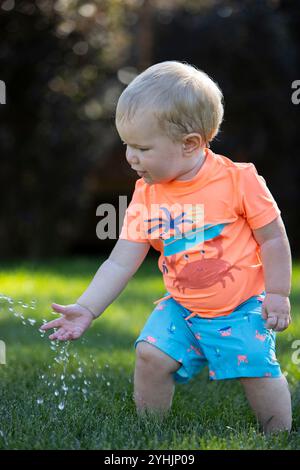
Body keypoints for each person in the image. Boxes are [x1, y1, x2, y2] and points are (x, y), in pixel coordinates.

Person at [41, 61, 292, 434]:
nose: (130, 157)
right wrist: (88, 308)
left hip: (241, 308)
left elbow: (273, 238)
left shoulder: (239, 181)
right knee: (150, 355)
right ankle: (149, 430)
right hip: (183, 308)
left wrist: (277, 293)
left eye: (142, 147)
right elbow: (120, 262)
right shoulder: (147, 194)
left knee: (257, 368)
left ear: (189, 143)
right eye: (127, 144)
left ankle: (278, 436)